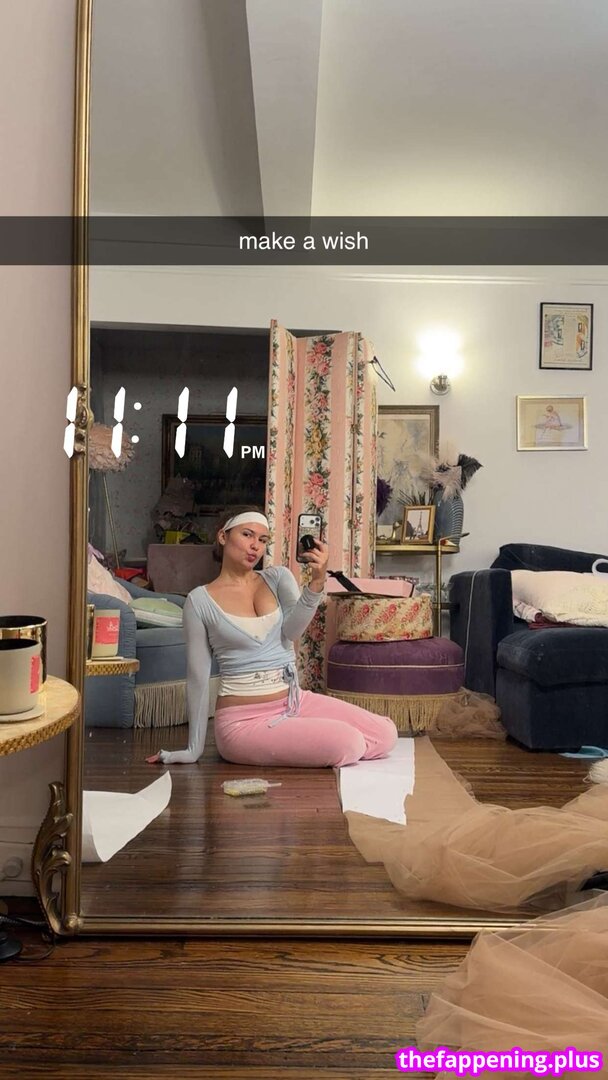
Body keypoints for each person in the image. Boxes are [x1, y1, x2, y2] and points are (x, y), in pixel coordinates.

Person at [147, 506, 397, 767]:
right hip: (242, 723)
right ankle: (300, 739)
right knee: (350, 742)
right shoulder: (199, 601)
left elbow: (292, 632)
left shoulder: (277, 578)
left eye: (263, 539)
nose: (255, 546)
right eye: (247, 535)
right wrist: (193, 750)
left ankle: (298, 735)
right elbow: (198, 677)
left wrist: (317, 582)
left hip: (295, 702)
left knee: (385, 734)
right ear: (223, 536)